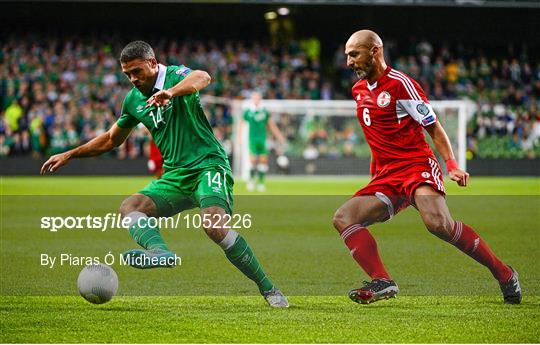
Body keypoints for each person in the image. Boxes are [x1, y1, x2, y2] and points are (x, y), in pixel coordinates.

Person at [40, 41, 288, 308]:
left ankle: (269, 288)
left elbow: (202, 77)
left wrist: (170, 92)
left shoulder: (175, 76)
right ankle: (159, 251)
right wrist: (70, 154)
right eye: (127, 74)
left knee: (214, 227)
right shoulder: (134, 100)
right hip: (175, 176)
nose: (133, 79)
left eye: (137, 71)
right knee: (130, 207)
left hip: (208, 165)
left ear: (152, 63)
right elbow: (112, 139)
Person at [334, 30, 521, 305]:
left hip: (416, 166)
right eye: (347, 56)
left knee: (438, 224)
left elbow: (433, 127)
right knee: (343, 218)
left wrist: (452, 164)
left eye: (354, 54)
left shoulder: (401, 85)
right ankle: (383, 281)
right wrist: (376, 172)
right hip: (387, 176)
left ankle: (504, 274)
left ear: (374, 51)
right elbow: (377, 137)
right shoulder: (358, 90)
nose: (349, 62)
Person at [242, 91, 286, 192]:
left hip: (262, 139)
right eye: (254, 98)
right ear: (252, 99)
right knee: (252, 161)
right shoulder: (248, 111)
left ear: (260, 99)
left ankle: (261, 183)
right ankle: (251, 181)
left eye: (258, 98)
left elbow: (271, 125)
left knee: (263, 161)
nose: (256, 100)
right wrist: (239, 137)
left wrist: (279, 136)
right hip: (252, 139)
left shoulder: (264, 112)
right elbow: (241, 123)